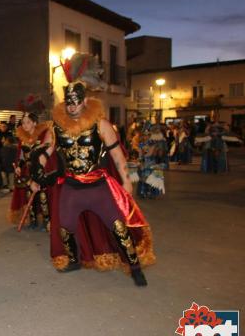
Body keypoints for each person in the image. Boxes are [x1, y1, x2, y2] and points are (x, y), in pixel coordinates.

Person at [33, 52, 155, 287]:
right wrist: (37, 169)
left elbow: (117, 155)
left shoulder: (101, 124)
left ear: (85, 101)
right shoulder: (56, 127)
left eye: (76, 101)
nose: (72, 106)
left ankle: (135, 266)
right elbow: (45, 151)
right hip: (71, 187)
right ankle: (73, 260)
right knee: (65, 227)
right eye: (68, 102)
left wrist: (127, 181)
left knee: (119, 227)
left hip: (98, 186)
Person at [7, 112, 51, 231]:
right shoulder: (22, 138)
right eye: (23, 123)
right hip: (28, 171)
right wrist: (18, 166)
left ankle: (47, 221)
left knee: (42, 196)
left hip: (41, 170)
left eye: (28, 122)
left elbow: (48, 153)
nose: (25, 125)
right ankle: (33, 220)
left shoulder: (43, 137)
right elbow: (21, 156)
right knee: (28, 195)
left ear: (34, 123)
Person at [0, 121, 13, 190]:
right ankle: (0, 185)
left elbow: (12, 144)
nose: (3, 128)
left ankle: (10, 185)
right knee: (0, 171)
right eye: (1, 126)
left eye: (4, 126)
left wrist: (6, 143)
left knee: (9, 171)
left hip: (8, 156)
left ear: (6, 127)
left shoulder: (9, 134)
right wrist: (0, 142)